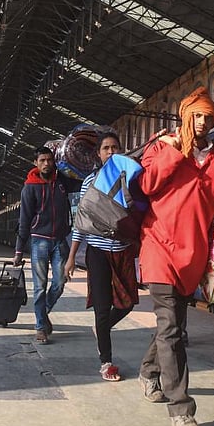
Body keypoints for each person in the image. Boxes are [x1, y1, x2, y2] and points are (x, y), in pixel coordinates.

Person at [137, 87, 214, 426]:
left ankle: (148, 371)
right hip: (158, 246)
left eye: (208, 117)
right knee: (172, 328)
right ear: (184, 116)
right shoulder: (162, 147)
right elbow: (147, 183)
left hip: (195, 256)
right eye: (197, 116)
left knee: (171, 327)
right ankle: (182, 413)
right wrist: (175, 151)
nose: (203, 122)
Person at [64, 130, 139, 382]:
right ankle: (106, 362)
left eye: (115, 147)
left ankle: (101, 328)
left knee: (127, 303)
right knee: (102, 307)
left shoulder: (132, 179)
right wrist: (72, 256)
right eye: (106, 148)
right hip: (97, 252)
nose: (111, 152)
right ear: (98, 154)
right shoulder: (90, 182)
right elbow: (81, 223)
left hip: (123, 251)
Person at [13, 146, 73, 345]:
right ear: (36, 163)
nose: (46, 163)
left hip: (60, 241)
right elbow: (24, 219)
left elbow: (80, 181)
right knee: (39, 287)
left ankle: (43, 314)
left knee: (60, 282)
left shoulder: (62, 181)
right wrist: (19, 250)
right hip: (38, 240)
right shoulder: (30, 188)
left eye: (49, 160)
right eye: (42, 160)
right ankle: (40, 328)